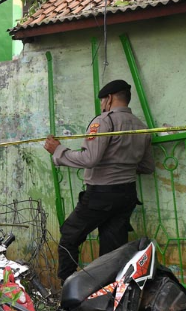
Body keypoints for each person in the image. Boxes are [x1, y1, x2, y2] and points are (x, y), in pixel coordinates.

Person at [43, 79, 154, 283]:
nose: (102, 105)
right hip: (127, 195)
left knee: (69, 235)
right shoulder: (142, 127)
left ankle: (68, 288)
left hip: (101, 195)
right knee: (112, 251)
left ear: (109, 99)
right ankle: (110, 294)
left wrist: (58, 151)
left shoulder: (103, 121)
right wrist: (121, 164)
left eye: (103, 101)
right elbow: (147, 167)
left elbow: (90, 159)